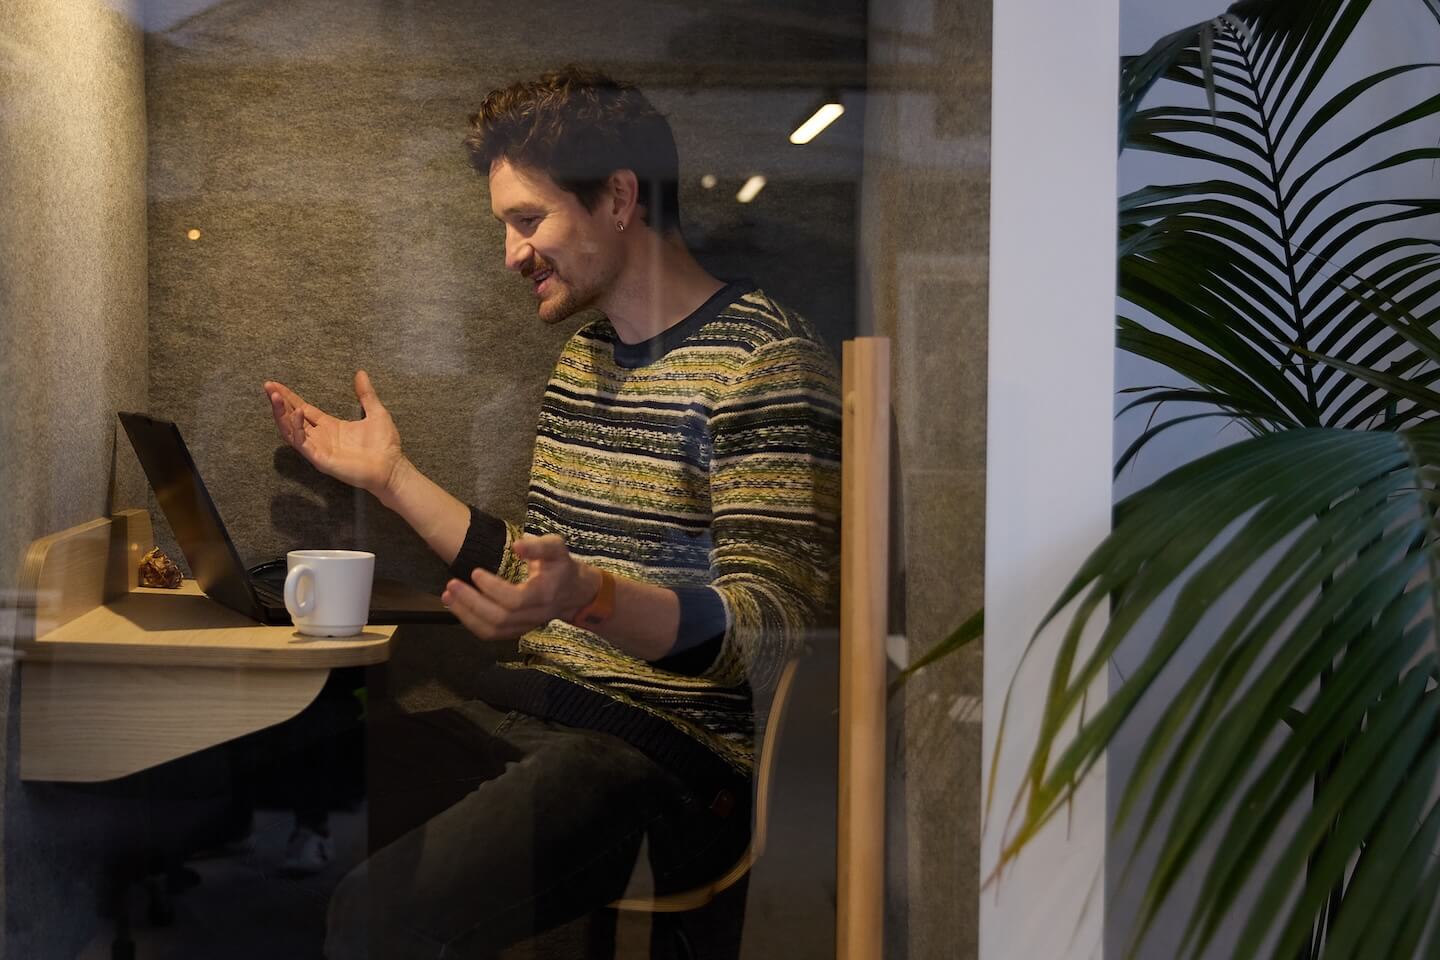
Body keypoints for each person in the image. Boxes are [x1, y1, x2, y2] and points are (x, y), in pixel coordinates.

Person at [263, 67, 841, 958]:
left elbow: (775, 633)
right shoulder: (586, 359)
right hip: (535, 713)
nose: (510, 254)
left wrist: (594, 597)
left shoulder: (766, 361)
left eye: (527, 221)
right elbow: (547, 577)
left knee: (375, 917)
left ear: (618, 198)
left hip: (674, 763)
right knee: (272, 831)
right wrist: (389, 477)